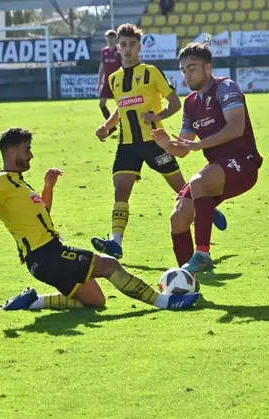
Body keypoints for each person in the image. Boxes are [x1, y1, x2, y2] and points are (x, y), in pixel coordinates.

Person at [0, 128, 199, 311]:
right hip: (46, 254)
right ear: (12, 152)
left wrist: (48, 187)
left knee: (95, 301)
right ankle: (166, 302)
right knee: (109, 265)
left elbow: (43, 213)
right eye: (27, 150)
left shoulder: (19, 183)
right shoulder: (1, 181)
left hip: (44, 257)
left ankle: (33, 301)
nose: (31, 155)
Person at [92, 23, 226, 260]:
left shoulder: (151, 72)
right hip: (127, 145)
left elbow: (175, 103)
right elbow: (122, 108)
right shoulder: (114, 79)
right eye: (123, 44)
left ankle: (208, 210)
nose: (127, 49)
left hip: (154, 142)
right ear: (118, 49)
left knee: (182, 189)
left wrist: (158, 116)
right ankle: (116, 242)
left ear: (139, 47)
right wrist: (107, 126)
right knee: (121, 189)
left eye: (132, 44)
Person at [152, 43, 263, 273]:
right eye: (183, 70)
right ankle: (187, 278)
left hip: (243, 162)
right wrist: (167, 145)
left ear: (208, 67)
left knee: (198, 181)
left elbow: (236, 127)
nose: (187, 74)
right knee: (178, 219)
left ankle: (202, 253)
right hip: (217, 168)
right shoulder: (191, 103)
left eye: (192, 68)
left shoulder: (226, 87)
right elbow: (183, 148)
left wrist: (199, 144)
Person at [97, 29, 120, 137]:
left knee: (121, 105)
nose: (110, 39)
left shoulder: (119, 50)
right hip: (107, 81)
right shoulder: (104, 51)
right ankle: (111, 126)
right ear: (106, 38)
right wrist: (99, 82)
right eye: (108, 37)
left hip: (117, 82)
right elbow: (102, 67)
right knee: (102, 103)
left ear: (115, 38)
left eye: (112, 37)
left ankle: (123, 127)